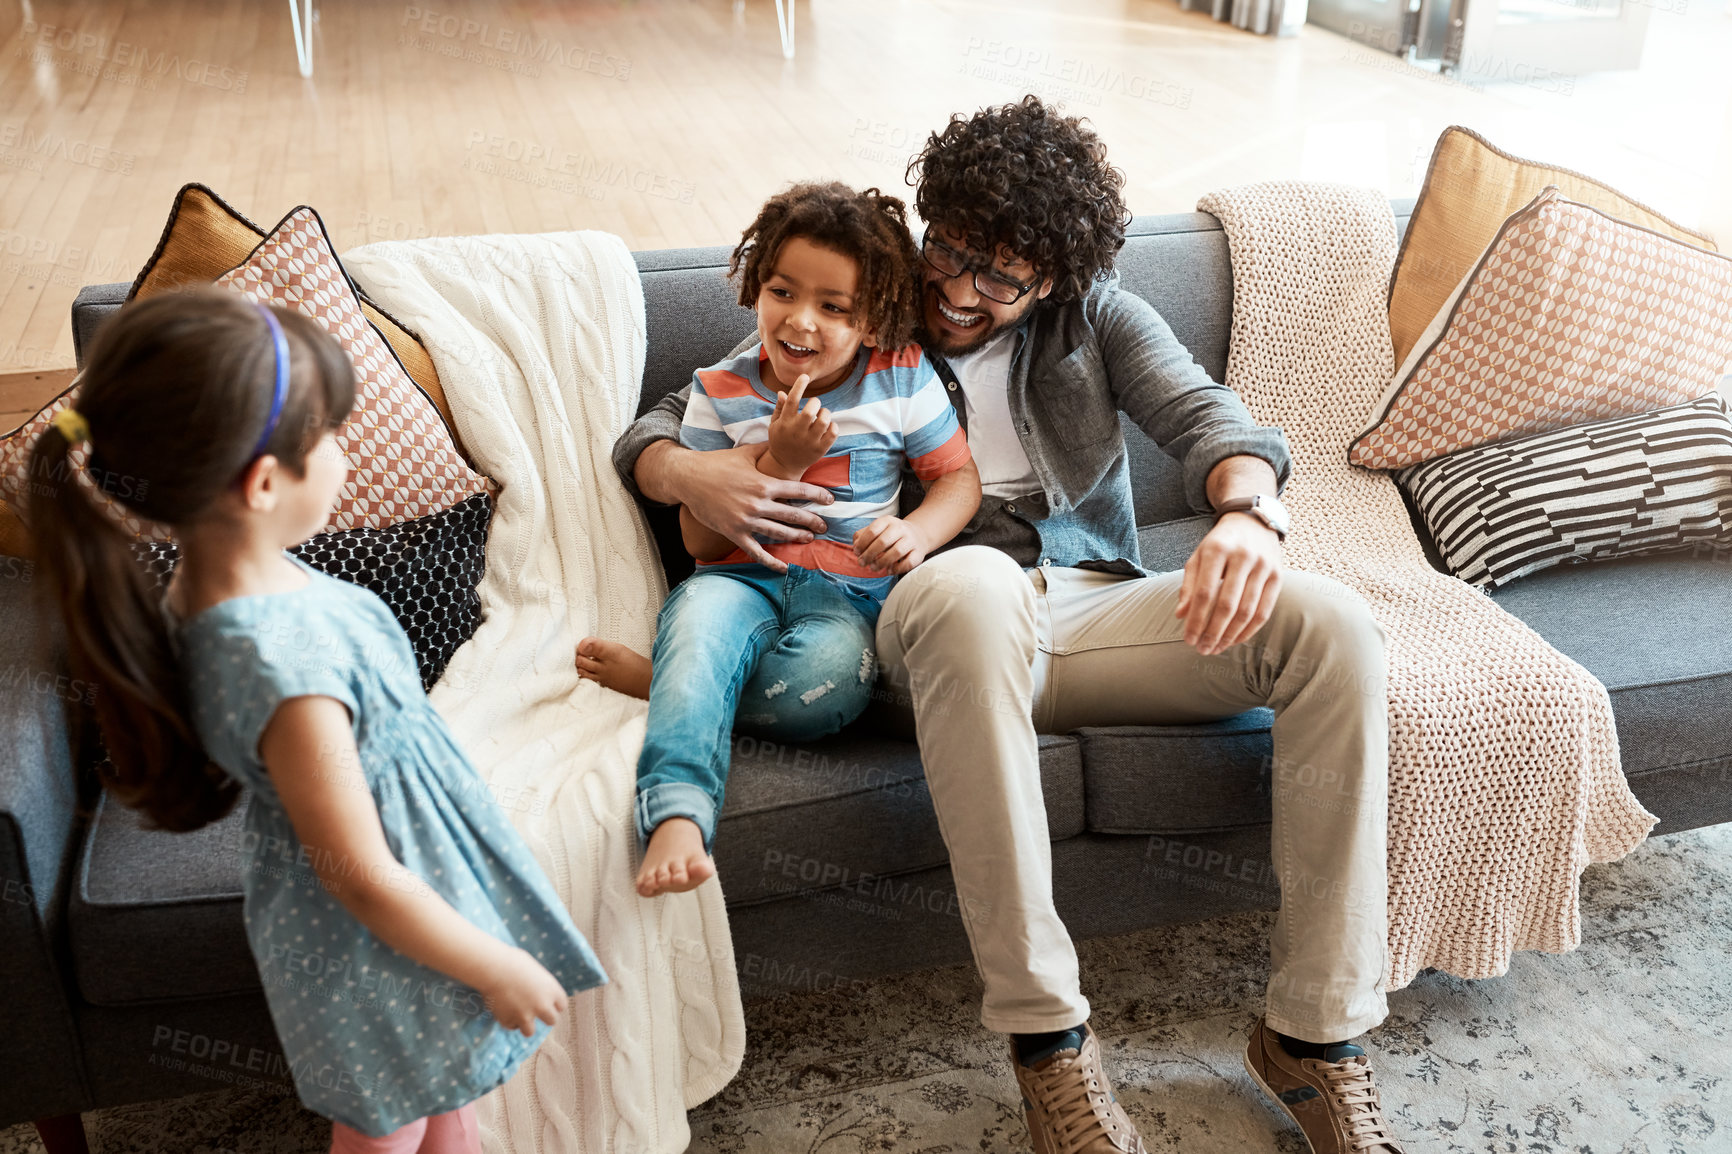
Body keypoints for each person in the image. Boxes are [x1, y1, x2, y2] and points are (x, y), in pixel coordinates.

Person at [612, 98, 1405, 1154]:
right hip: (915, 615)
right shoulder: (866, 306)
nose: (955, 289)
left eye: (999, 275)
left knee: (1335, 627)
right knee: (976, 582)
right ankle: (1049, 1043)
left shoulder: (1100, 318)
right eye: (949, 248)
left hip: (1081, 604)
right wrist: (687, 471)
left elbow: (1212, 416)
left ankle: (1317, 1038)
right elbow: (669, 416)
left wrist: (1250, 512)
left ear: (1052, 279)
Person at [30, 289, 607, 1153]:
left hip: (403, 899)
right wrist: (494, 964)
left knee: (447, 1104)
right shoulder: (280, 662)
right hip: (378, 943)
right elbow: (360, 874)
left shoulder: (221, 583)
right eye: (332, 437)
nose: (346, 452)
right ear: (264, 483)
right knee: (390, 1127)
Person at [577, 181, 981, 899]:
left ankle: (673, 685)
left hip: (848, 599)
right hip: (736, 581)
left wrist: (916, 534)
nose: (801, 321)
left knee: (820, 691)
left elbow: (957, 481)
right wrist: (780, 461)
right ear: (754, 286)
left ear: (874, 320)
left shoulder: (900, 375)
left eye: (834, 307)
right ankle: (675, 808)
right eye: (782, 292)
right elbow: (700, 544)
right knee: (700, 634)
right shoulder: (720, 390)